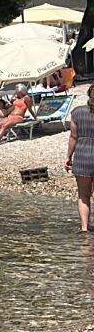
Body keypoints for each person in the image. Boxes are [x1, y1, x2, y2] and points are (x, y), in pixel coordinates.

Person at [65, 84, 94, 233]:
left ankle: (84, 227)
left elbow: (73, 137)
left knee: (83, 195)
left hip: (82, 156)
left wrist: (68, 157)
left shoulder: (77, 112)